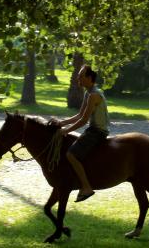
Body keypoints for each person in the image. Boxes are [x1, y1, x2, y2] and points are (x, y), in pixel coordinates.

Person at [58, 65, 110, 202]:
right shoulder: (88, 93)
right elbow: (79, 115)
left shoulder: (94, 95)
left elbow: (83, 120)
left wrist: (66, 130)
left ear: (89, 78)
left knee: (71, 154)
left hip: (98, 132)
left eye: (80, 76)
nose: (77, 78)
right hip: (92, 130)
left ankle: (86, 187)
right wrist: (61, 123)